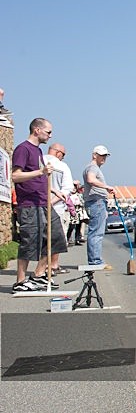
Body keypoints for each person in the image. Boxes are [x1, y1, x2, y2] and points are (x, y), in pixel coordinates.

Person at [10, 118, 68, 291]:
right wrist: (40, 172)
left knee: (56, 238)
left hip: (43, 202)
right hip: (29, 204)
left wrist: (53, 191)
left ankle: (37, 275)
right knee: (29, 242)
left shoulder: (38, 151)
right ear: (37, 130)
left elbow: (39, 178)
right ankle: (20, 281)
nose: (50, 136)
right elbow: (15, 176)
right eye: (48, 132)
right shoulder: (23, 149)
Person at [43, 143, 74, 274]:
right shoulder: (62, 166)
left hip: (39, 203)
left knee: (42, 236)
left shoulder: (39, 160)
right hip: (56, 205)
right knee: (55, 236)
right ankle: (53, 265)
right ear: (58, 153)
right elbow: (67, 189)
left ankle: (42, 266)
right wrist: (52, 201)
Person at [83, 145, 115, 269]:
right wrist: (106, 187)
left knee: (96, 231)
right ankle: (95, 261)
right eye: (101, 155)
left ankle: (96, 259)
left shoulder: (92, 167)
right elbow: (91, 180)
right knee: (96, 232)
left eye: (105, 156)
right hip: (96, 202)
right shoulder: (92, 167)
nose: (104, 158)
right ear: (94, 155)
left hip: (96, 202)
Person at [67, 180, 87, 244]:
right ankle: (68, 238)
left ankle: (77, 239)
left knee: (79, 225)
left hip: (78, 211)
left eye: (75, 188)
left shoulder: (79, 195)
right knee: (71, 226)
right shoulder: (68, 195)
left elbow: (82, 201)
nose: (73, 189)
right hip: (71, 211)